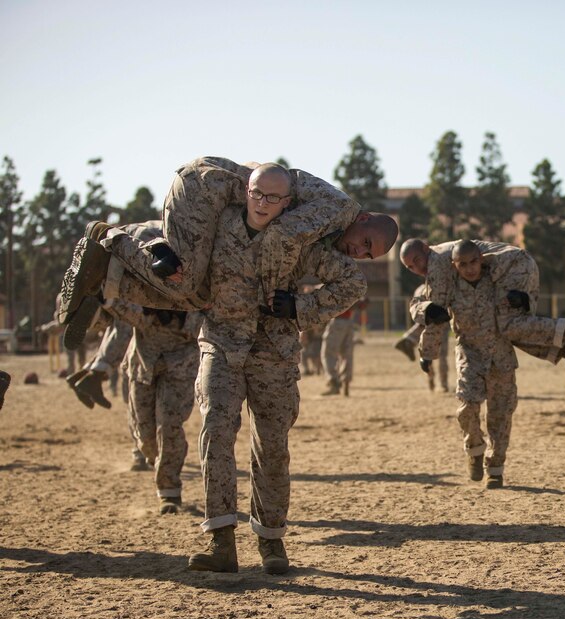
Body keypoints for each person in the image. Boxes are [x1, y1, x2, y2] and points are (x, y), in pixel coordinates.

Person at [186, 164, 390, 575]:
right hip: (222, 343)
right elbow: (178, 240)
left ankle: (271, 542)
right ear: (248, 191)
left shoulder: (304, 242)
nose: (263, 204)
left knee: (272, 445)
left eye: (273, 198)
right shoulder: (220, 223)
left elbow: (352, 283)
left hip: (273, 352)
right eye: (258, 195)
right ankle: (221, 541)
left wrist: (302, 308)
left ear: (286, 202)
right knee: (216, 431)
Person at [57, 156, 389, 350]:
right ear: (362, 219)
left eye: (367, 255)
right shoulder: (338, 210)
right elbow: (281, 235)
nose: (358, 252)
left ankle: (106, 282)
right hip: (204, 190)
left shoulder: (334, 232)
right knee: (185, 281)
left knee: (200, 295)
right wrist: (268, 297)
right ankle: (111, 238)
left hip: (222, 207)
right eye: (366, 242)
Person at [399, 239, 565, 388]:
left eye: (416, 260)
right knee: (505, 330)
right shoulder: (439, 259)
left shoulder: (436, 262)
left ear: (426, 248)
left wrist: (427, 354)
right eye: (410, 267)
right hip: (515, 266)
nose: (417, 268)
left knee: (509, 325)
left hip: (513, 267)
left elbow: (438, 314)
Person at [102, 298, 201, 514]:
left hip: (179, 363)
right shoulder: (143, 278)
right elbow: (122, 312)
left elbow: (199, 324)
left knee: (169, 426)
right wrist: (145, 310)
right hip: (142, 361)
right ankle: (156, 457)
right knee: (145, 436)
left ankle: (169, 491)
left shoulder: (195, 280)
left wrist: (178, 312)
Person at [441, 241, 520, 488]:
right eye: (462, 264)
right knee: (467, 407)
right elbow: (419, 301)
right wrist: (426, 312)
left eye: (474, 261)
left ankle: (495, 468)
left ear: (482, 259)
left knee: (500, 415)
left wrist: (523, 298)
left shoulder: (497, 278)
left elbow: (519, 262)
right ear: (454, 266)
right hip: (469, 352)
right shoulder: (449, 284)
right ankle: (474, 449)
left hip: (501, 354)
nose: (469, 268)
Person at [395, 283, 451, 392]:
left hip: (424, 325)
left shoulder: (420, 288)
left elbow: (417, 311)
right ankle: (443, 384)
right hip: (441, 323)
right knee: (442, 356)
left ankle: (409, 339)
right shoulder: (441, 285)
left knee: (426, 355)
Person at [321, 301, 363, 396]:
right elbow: (362, 303)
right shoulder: (352, 288)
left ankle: (333, 382)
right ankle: (346, 382)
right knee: (347, 354)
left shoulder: (334, 286)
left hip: (337, 321)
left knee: (328, 353)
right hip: (349, 322)